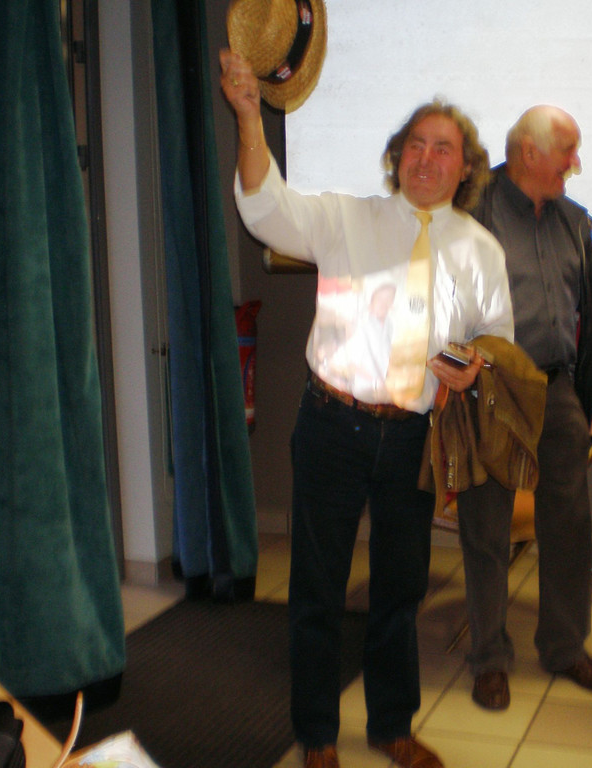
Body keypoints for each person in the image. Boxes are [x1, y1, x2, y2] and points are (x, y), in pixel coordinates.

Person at [219, 50, 514, 768]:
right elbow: (264, 207)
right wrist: (250, 116)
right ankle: (317, 734)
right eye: (415, 144)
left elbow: (495, 340)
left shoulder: (480, 250)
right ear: (396, 156)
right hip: (332, 425)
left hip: (413, 437)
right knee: (317, 590)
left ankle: (391, 726)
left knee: (399, 590)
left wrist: (471, 365)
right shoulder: (345, 219)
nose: (426, 158)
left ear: (465, 168)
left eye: (443, 148)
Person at [454, 105, 592, 712]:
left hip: (556, 388)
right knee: (486, 527)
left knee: (569, 522)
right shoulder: (471, 210)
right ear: (529, 152)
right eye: (567, 151)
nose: (575, 163)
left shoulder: (574, 223)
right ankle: (489, 658)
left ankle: (564, 646)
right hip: (489, 387)